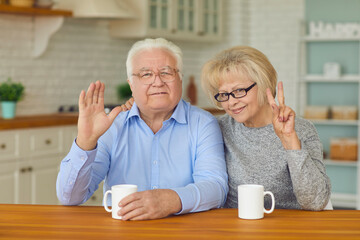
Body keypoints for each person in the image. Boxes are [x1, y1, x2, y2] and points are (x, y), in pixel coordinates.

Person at [56, 38, 228, 220]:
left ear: (180, 78)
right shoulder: (113, 126)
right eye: (146, 74)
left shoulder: (203, 123)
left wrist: (172, 200)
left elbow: (216, 188)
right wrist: (85, 142)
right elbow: (70, 198)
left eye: (166, 72)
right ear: (131, 83)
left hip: (184, 231)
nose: (158, 82)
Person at [200, 46, 331, 211]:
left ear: (264, 86)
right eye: (224, 94)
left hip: (288, 229)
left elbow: (316, 201)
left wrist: (289, 140)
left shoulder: (302, 129)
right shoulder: (217, 129)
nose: (231, 102)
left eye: (239, 90)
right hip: (236, 228)